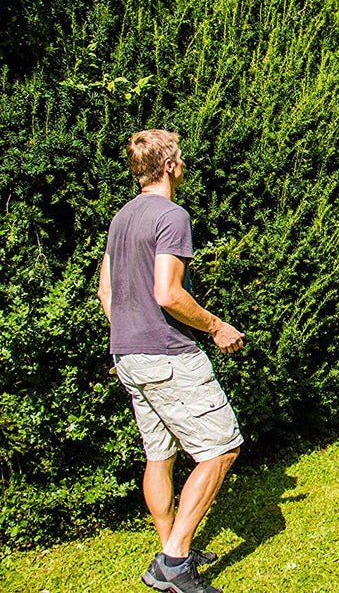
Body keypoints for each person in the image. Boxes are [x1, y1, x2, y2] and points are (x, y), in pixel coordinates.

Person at [97, 130, 245, 593]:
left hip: (128, 354)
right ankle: (175, 561)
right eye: (179, 157)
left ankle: (168, 550)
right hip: (168, 354)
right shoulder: (171, 215)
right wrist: (217, 326)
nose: (182, 164)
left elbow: (106, 291)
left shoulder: (120, 219)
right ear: (167, 165)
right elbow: (168, 292)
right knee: (221, 448)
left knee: (158, 455)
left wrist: (129, 333)